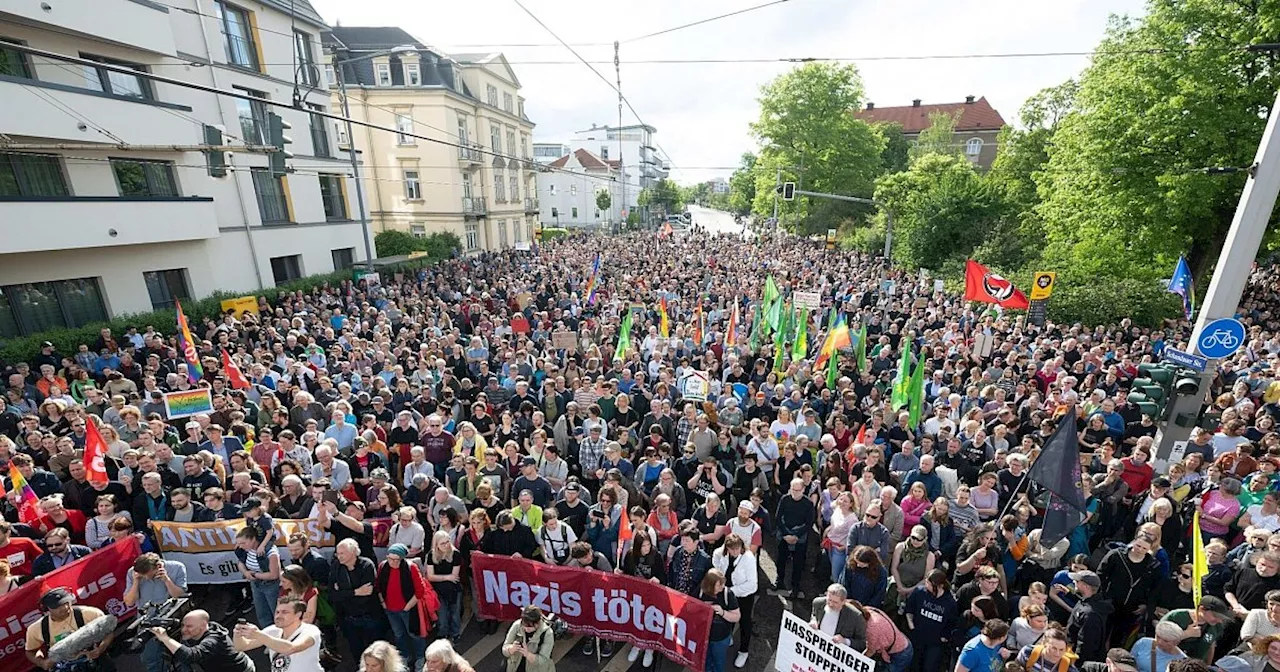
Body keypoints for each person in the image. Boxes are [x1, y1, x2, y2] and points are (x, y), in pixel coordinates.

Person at [123, 553, 189, 672]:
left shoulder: (177, 568)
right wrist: (136, 582)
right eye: (143, 576)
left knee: (183, 652)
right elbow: (129, 602)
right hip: (147, 620)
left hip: (172, 617)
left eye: (149, 575)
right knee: (149, 657)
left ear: (158, 566)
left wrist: (166, 580)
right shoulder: (133, 573)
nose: (146, 578)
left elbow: (179, 595)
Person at [25, 587, 115, 672]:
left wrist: (101, 648)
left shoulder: (90, 613)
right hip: (65, 666)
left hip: (95, 660)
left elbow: (109, 632)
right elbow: (30, 652)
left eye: (66, 603)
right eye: (57, 606)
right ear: (46, 609)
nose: (64, 608)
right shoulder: (36, 629)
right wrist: (42, 662)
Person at [148, 609, 255, 672]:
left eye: (189, 626)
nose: (184, 630)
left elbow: (191, 656)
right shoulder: (201, 629)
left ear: (203, 626)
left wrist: (165, 638)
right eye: (183, 625)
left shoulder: (213, 640)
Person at [378, 542, 431, 668]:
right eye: (390, 559)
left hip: (407, 609)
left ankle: (420, 657)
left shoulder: (410, 567)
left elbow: (420, 590)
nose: (393, 562)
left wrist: (407, 606)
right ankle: (405, 657)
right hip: (390, 609)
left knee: (415, 634)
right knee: (398, 635)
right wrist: (383, 603)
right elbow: (378, 586)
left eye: (396, 560)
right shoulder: (382, 566)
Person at [329, 538, 383, 660]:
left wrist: (343, 592)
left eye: (342, 553)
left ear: (353, 552)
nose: (339, 556)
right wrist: (356, 592)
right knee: (356, 652)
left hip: (369, 616)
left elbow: (367, 594)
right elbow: (332, 595)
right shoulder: (336, 566)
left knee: (375, 652)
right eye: (338, 553)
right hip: (349, 618)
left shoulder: (367, 565)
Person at [233, 600, 324, 672]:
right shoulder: (273, 630)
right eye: (277, 612)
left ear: (298, 614)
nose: (278, 616)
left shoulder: (310, 631)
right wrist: (238, 634)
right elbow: (242, 646)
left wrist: (259, 635)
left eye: (284, 612)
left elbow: (291, 648)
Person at [711, 533, 758, 668]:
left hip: (744, 596)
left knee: (744, 622)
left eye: (737, 548)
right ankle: (728, 636)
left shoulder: (748, 559)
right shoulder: (722, 553)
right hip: (727, 592)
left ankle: (744, 651)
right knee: (726, 616)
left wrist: (732, 591)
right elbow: (715, 557)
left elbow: (752, 584)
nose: (735, 551)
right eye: (732, 549)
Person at [907, 569, 958, 672]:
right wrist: (911, 626)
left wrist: (944, 637)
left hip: (935, 643)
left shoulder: (950, 602)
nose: (926, 585)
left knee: (929, 667)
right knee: (914, 666)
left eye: (929, 584)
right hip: (918, 637)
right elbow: (909, 609)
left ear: (940, 586)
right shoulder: (919, 592)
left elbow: (952, 622)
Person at [1161, 595, 1235, 662]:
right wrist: (1186, 634)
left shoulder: (1217, 626)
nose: (1219, 620)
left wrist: (1207, 666)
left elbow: (1211, 646)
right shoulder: (1176, 616)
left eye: (1221, 618)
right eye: (1215, 615)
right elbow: (1159, 640)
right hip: (1169, 661)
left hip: (1194, 665)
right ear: (1201, 609)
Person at [233, 525, 281, 628]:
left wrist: (255, 574)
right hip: (255, 584)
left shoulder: (270, 552)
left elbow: (274, 574)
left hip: (271, 586)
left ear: (253, 539)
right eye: (239, 543)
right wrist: (246, 572)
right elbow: (240, 563)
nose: (240, 546)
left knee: (276, 613)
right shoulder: (244, 550)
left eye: (243, 543)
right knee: (262, 614)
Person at [1067, 570, 1114, 663]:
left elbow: (1086, 644)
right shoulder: (1087, 603)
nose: (1073, 582)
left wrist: (1076, 664)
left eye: (1077, 581)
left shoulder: (1090, 614)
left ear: (1086, 586)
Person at [699, 568, 741, 672]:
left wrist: (722, 612)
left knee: (719, 663)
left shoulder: (728, 594)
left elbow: (736, 616)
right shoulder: (700, 591)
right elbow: (689, 609)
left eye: (723, 584)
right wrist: (701, 607)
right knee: (705, 662)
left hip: (721, 638)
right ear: (709, 585)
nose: (722, 587)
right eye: (719, 585)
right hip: (704, 637)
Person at [426, 531, 463, 644]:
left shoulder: (455, 554)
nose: (446, 545)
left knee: (455, 613)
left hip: (453, 589)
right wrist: (447, 577)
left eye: (448, 542)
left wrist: (441, 577)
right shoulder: (431, 555)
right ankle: (443, 633)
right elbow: (430, 576)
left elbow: (455, 576)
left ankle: (455, 633)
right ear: (436, 544)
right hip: (438, 591)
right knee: (442, 615)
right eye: (443, 543)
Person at [811, 582, 868, 648]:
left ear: (843, 601)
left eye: (835, 602)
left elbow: (862, 643)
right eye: (829, 600)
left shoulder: (855, 616)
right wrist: (813, 621)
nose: (831, 604)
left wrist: (845, 641)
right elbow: (814, 615)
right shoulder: (818, 603)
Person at [502, 605, 556, 672]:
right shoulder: (517, 625)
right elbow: (505, 648)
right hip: (515, 667)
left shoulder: (547, 633)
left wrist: (527, 654)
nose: (526, 629)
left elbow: (543, 660)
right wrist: (511, 649)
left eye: (530, 627)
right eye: (524, 626)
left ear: (538, 623)